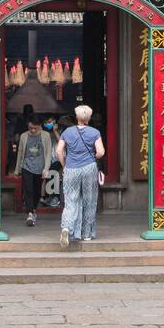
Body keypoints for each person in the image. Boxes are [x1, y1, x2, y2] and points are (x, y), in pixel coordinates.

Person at [55, 105, 105, 246]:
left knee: (71, 201)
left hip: (71, 168)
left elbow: (59, 151)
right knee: (89, 200)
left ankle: (66, 228)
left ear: (77, 117)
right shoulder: (95, 132)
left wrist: (64, 164)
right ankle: (87, 234)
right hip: (89, 168)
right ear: (88, 118)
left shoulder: (67, 132)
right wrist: (92, 157)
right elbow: (101, 152)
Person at [12, 118, 51, 226]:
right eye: (30, 128)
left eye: (35, 128)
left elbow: (48, 153)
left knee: (37, 191)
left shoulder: (46, 135)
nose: (33, 130)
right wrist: (16, 170)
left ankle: (33, 209)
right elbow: (20, 152)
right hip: (26, 167)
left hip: (40, 167)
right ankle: (30, 213)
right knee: (28, 190)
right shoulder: (24, 136)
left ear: (39, 126)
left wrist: (46, 168)